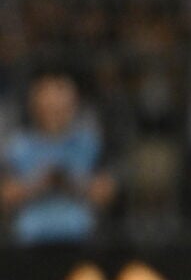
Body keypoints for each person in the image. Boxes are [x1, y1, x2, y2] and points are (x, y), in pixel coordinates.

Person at [0, 71, 116, 246]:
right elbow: (5, 196)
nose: (54, 114)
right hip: (28, 242)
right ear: (35, 108)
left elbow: (105, 193)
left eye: (60, 109)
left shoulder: (90, 143)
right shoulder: (17, 147)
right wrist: (39, 183)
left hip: (81, 239)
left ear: (73, 106)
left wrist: (69, 181)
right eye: (48, 109)